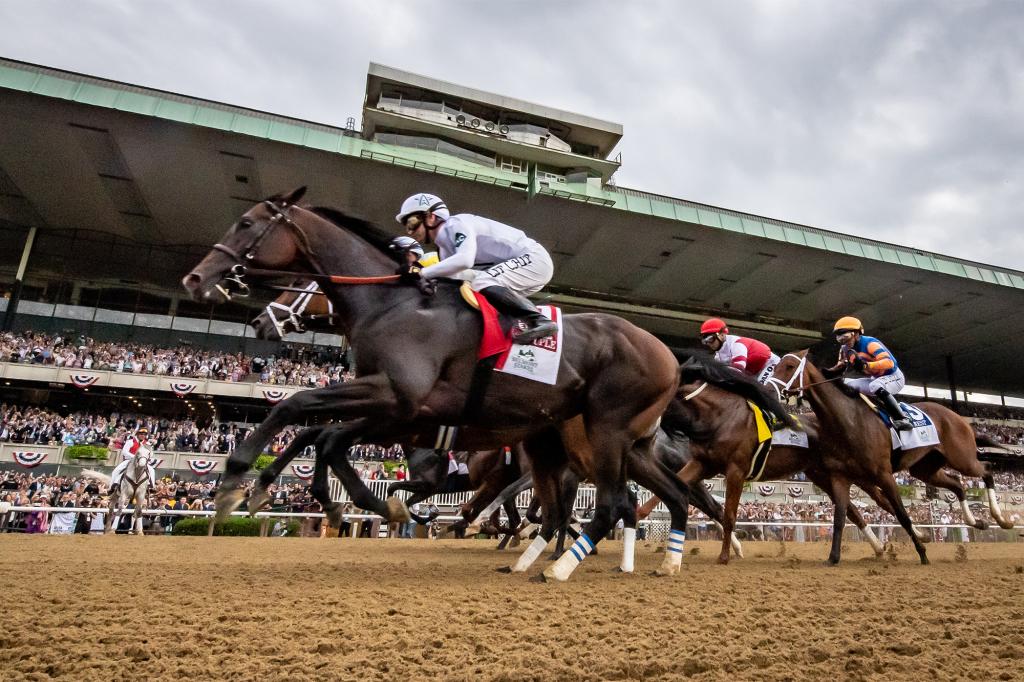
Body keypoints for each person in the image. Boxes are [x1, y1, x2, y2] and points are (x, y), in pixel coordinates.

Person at [393, 192, 557, 343]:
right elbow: (455, 279)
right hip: (524, 267)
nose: (409, 232)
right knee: (472, 290)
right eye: (407, 227)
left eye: (412, 223)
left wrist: (422, 272)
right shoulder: (444, 250)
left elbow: (465, 260)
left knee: (482, 281)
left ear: (430, 217)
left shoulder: (456, 224)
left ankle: (541, 321)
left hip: (534, 259)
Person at [827, 316, 912, 431]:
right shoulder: (844, 349)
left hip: (894, 377)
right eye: (839, 336)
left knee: (875, 385)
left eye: (845, 336)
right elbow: (841, 366)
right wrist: (827, 373)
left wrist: (867, 366)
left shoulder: (870, 343)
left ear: (856, 334)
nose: (843, 340)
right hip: (875, 379)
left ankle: (901, 418)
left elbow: (889, 363)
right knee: (848, 384)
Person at [699, 318, 780, 385]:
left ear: (722, 334)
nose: (709, 344)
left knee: (761, 391)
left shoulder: (737, 345)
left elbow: (738, 370)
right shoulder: (718, 355)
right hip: (754, 371)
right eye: (705, 341)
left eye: (710, 339)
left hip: (770, 364)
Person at [109, 427, 157, 492]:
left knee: (151, 470)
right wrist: (135, 457)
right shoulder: (130, 442)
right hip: (130, 460)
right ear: (137, 434)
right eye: (141, 434)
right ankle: (112, 486)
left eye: (144, 434)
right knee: (117, 470)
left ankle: (151, 486)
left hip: (142, 461)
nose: (143, 435)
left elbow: (151, 453)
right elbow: (125, 452)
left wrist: (145, 458)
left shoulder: (147, 444)